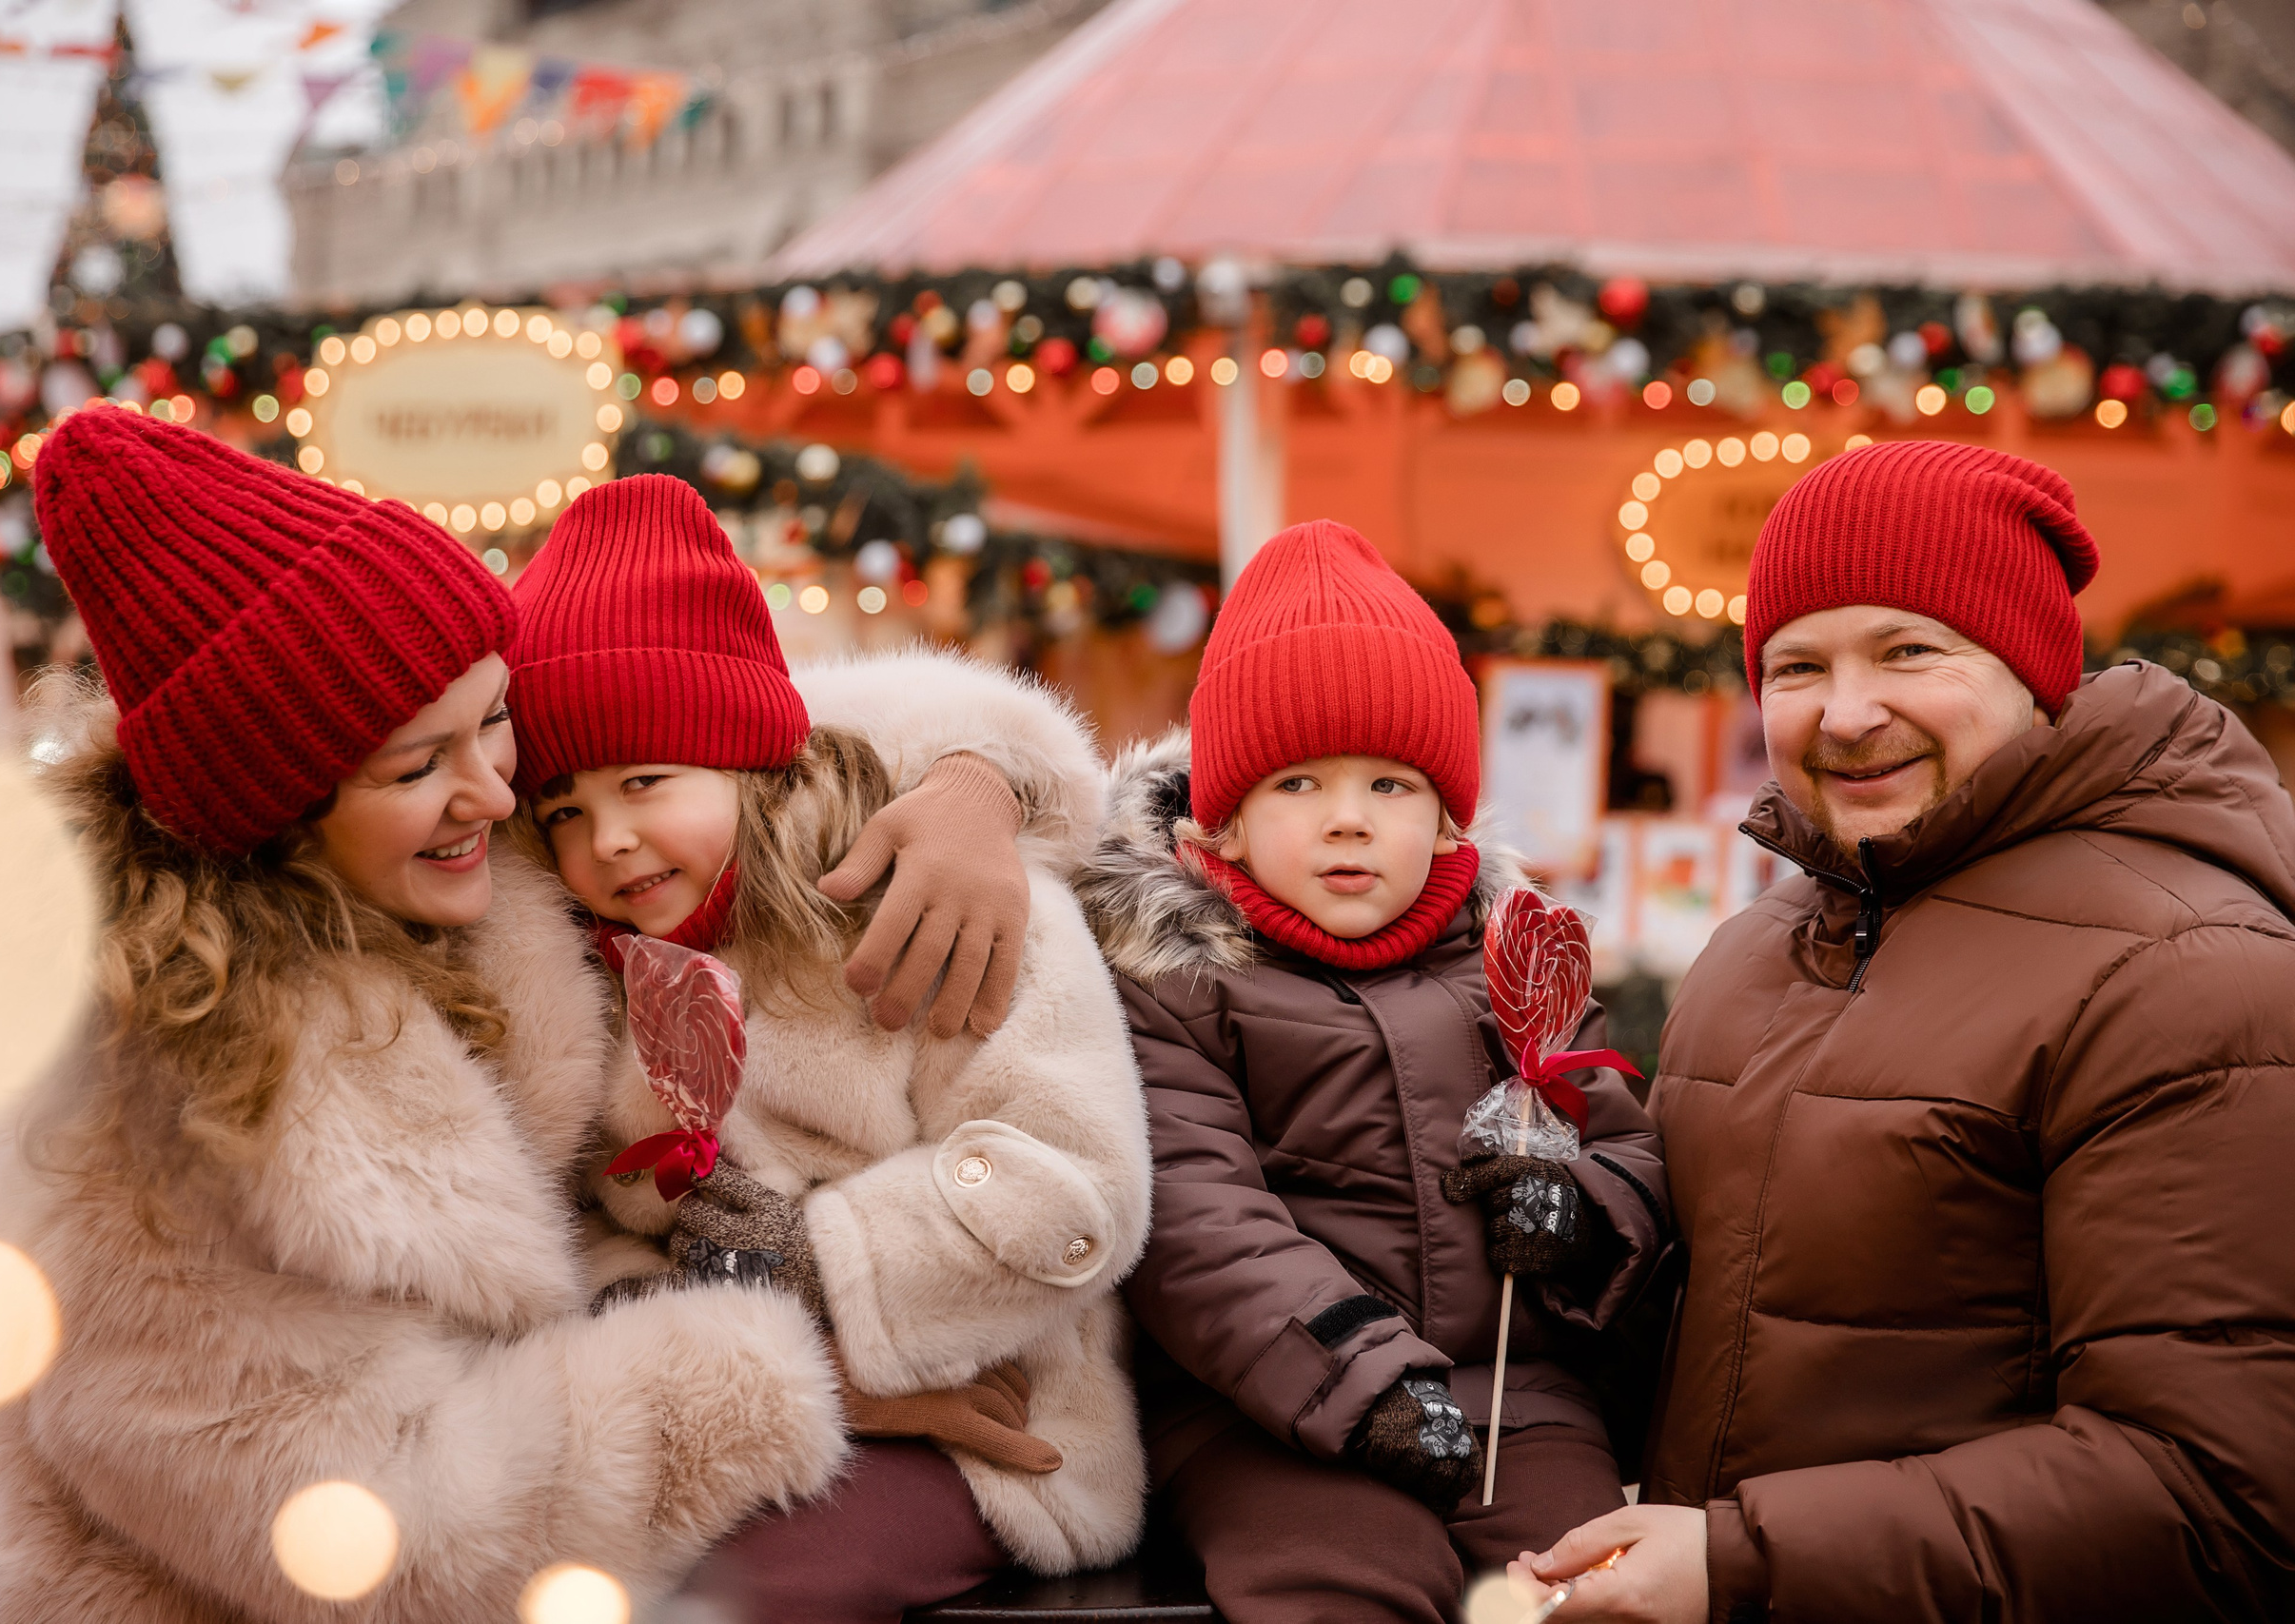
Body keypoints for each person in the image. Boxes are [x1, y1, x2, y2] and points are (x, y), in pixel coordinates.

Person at [0, 409, 1049, 1621]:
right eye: (419, 765)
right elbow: (386, 1537)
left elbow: (735, 720)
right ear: (278, 803)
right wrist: (791, 1370)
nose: (501, 788)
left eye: (494, 716)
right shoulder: (139, 1111)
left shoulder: (431, 851)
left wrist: (975, 782)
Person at [1516, 440, 2295, 1622]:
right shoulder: (1751, 953)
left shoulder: (2187, 971)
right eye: (1795, 665)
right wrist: (1579, 1241)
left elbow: (2218, 1492)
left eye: (1908, 650)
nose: (1845, 712)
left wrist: (1743, 1563)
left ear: (2030, 669)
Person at [504, 475, 1154, 1622]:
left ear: (744, 756)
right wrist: (719, 1326)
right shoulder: (588, 974)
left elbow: (1075, 1182)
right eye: (561, 808)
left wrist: (808, 1265)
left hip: (987, 1422)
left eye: (645, 781)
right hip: (721, 1413)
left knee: (745, 1601)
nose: (607, 838)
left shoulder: (930, 899)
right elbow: (588, 1238)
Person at [1073, 520, 1669, 1624]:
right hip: (1269, 1406)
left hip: (1515, 1402)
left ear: (1445, 815)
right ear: (1226, 822)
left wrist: (1575, 1212)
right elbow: (1201, 1223)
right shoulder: (1177, 985)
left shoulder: (1514, 964)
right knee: (1345, 1582)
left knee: (1581, 1587)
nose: (1348, 817)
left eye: (1391, 785)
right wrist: (1368, 1381)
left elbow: (1624, 1139)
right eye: (1297, 782)